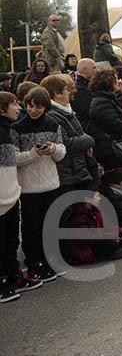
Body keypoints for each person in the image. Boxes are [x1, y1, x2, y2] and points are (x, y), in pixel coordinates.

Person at [12, 86, 66, 282]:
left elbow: (62, 152)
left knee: (49, 225)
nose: (34, 111)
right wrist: (34, 153)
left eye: (39, 107)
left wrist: (53, 149)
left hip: (51, 182)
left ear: (45, 108)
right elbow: (15, 158)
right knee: (31, 228)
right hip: (28, 186)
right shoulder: (16, 128)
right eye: (31, 106)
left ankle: (48, 259)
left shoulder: (53, 125)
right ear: (25, 105)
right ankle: (33, 262)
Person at [1, 91, 43, 301]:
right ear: (2, 110)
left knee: (10, 242)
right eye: (14, 105)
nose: (18, 108)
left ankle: (14, 277)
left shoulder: (7, 130)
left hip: (10, 195)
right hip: (1, 198)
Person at [42, 74, 98, 197]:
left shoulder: (67, 110)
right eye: (66, 90)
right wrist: (89, 140)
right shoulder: (52, 115)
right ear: (57, 93)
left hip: (77, 170)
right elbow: (66, 143)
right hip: (68, 173)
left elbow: (77, 135)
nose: (71, 93)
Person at [87, 70, 122, 172]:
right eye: (115, 79)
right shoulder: (101, 101)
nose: (118, 81)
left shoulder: (109, 99)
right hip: (110, 150)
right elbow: (115, 124)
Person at [71, 58, 97, 130]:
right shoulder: (79, 89)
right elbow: (89, 110)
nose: (96, 70)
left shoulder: (89, 85)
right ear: (84, 69)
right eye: (94, 68)